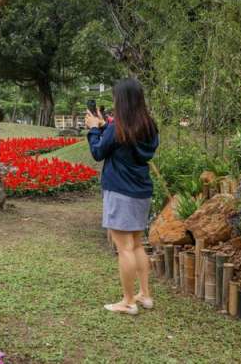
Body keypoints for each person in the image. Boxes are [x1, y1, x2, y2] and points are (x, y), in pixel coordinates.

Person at [86, 78, 159, 315]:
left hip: (120, 190)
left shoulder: (118, 127)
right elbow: (124, 141)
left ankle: (128, 301)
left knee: (124, 248)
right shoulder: (148, 125)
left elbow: (98, 152)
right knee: (136, 244)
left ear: (122, 100)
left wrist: (94, 129)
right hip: (141, 190)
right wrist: (104, 125)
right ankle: (145, 295)